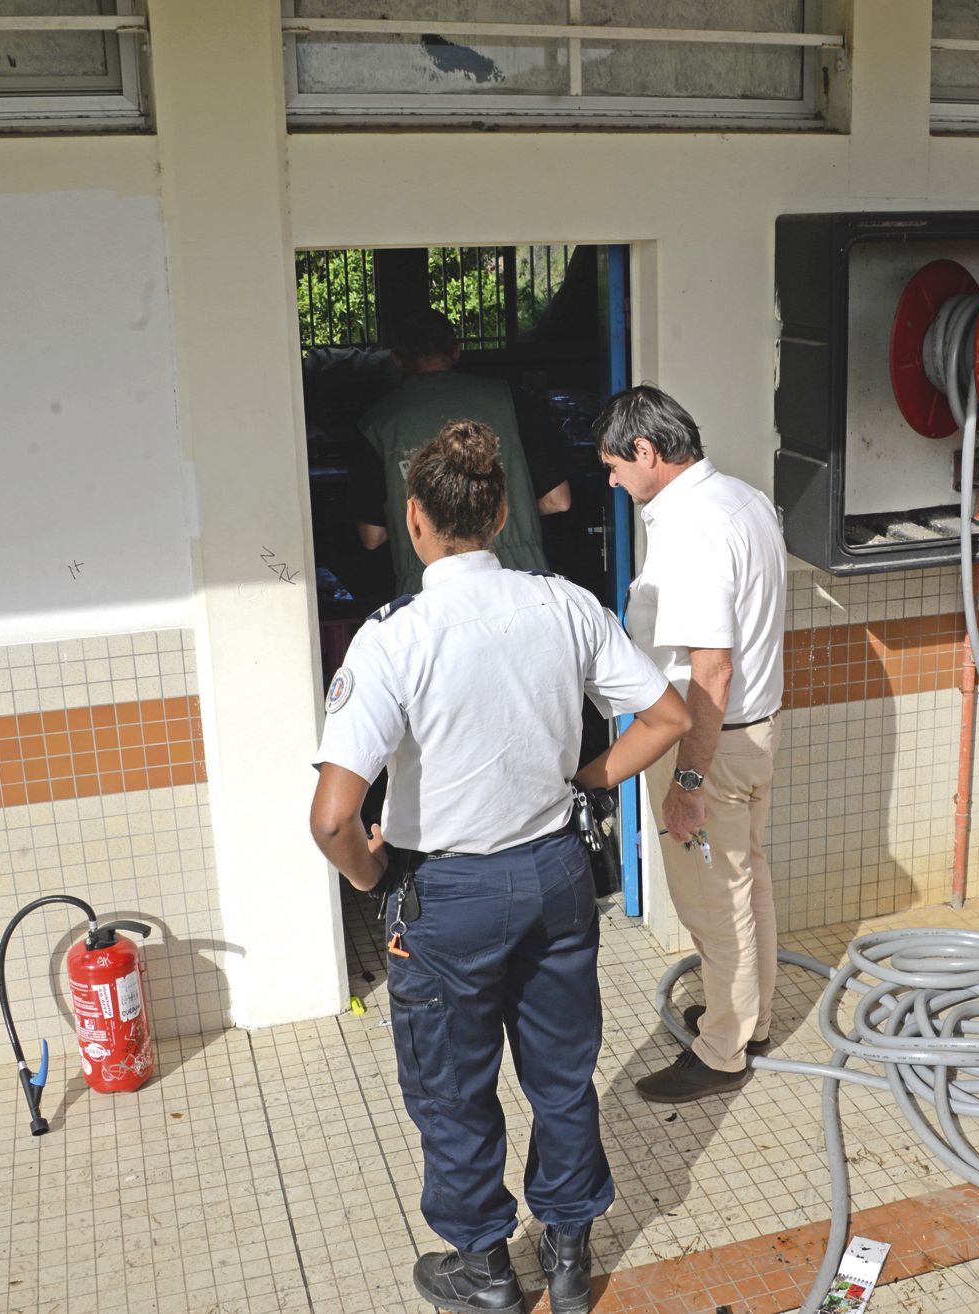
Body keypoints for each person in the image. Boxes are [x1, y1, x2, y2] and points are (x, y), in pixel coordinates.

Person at [310, 420, 689, 1314]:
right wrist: (591, 776)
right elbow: (666, 717)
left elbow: (333, 818)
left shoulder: (392, 637)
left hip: (448, 897)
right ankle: (566, 1255)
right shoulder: (563, 603)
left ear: (414, 519)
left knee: (453, 1089)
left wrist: (369, 879)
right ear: (503, 509)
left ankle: (485, 1272)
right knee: (561, 1078)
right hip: (556, 875)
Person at [593, 385, 788, 1104]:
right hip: (754, 730)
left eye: (615, 465)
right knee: (743, 883)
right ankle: (750, 1020)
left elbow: (711, 666)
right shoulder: (744, 499)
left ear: (646, 452)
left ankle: (722, 1052)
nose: (612, 480)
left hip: (714, 744)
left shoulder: (691, 527)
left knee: (714, 904)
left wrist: (688, 783)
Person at [349, 308, 572, 596]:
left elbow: (372, 536)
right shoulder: (510, 400)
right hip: (521, 581)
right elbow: (559, 500)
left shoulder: (377, 424)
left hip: (428, 593)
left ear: (397, 360)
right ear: (456, 351)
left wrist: (435, 522)